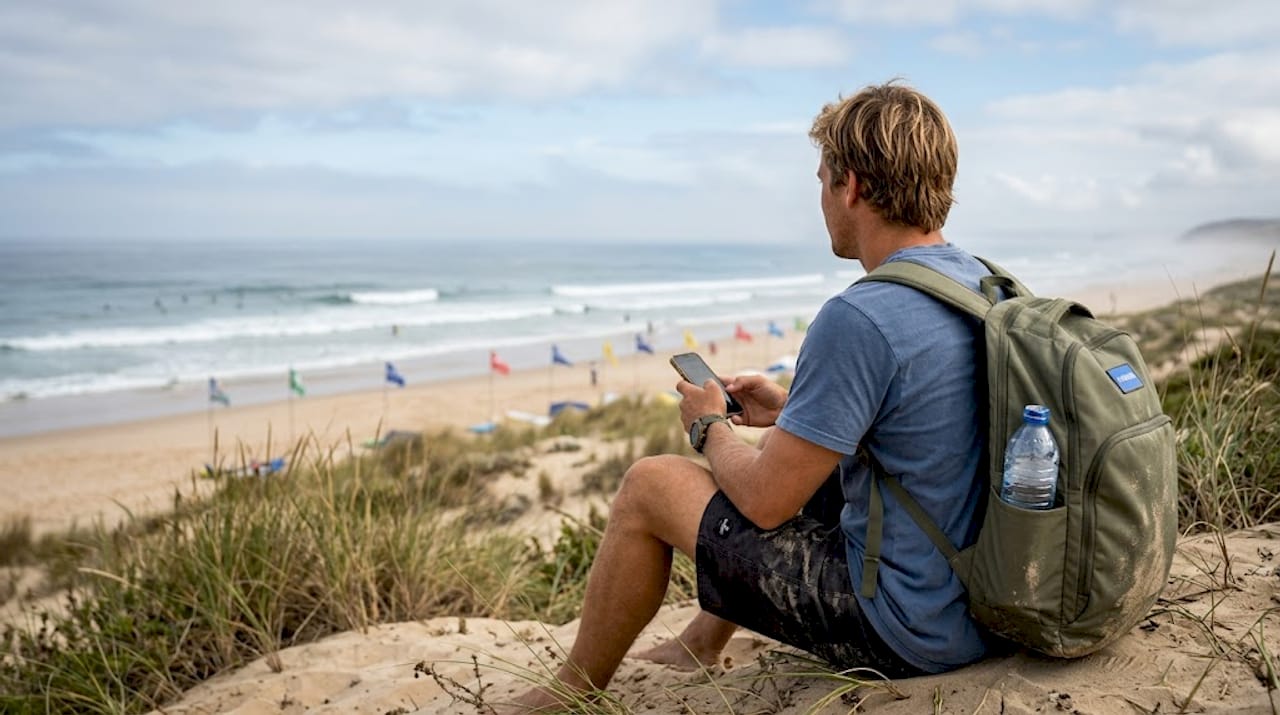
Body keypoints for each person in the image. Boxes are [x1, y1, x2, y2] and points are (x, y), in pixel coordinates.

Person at [503, 81, 989, 712]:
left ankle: (572, 690)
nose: (820, 199)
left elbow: (764, 503)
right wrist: (791, 411)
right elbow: (925, 423)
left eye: (821, 180)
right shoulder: (980, 283)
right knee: (807, 459)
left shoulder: (862, 317)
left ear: (853, 187)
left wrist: (711, 427)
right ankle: (701, 642)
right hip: (979, 601)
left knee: (652, 484)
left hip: (910, 631)